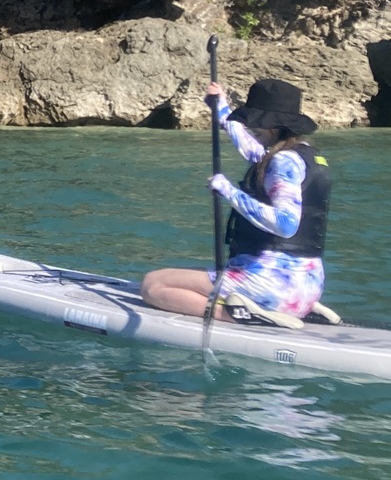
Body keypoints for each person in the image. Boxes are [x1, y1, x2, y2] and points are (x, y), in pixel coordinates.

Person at [140, 77, 335, 329]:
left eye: (257, 123)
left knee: (154, 284)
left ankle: (234, 314)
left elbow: (286, 225)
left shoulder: (282, 162)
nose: (252, 127)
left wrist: (229, 192)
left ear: (274, 126)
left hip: (268, 284)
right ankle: (295, 309)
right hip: (306, 287)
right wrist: (220, 108)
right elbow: (253, 152)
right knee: (178, 281)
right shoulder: (303, 155)